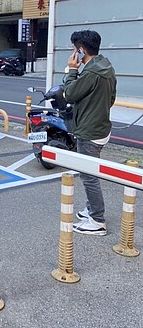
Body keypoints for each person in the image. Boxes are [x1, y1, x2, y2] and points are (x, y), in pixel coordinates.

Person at [63, 30, 116, 235]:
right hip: (101, 127)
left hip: (90, 131)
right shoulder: (106, 66)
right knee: (90, 172)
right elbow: (111, 98)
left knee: (89, 176)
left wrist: (71, 70)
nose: (73, 52)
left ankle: (97, 220)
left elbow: (70, 94)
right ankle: (91, 208)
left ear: (81, 50)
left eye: (75, 49)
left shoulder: (91, 72)